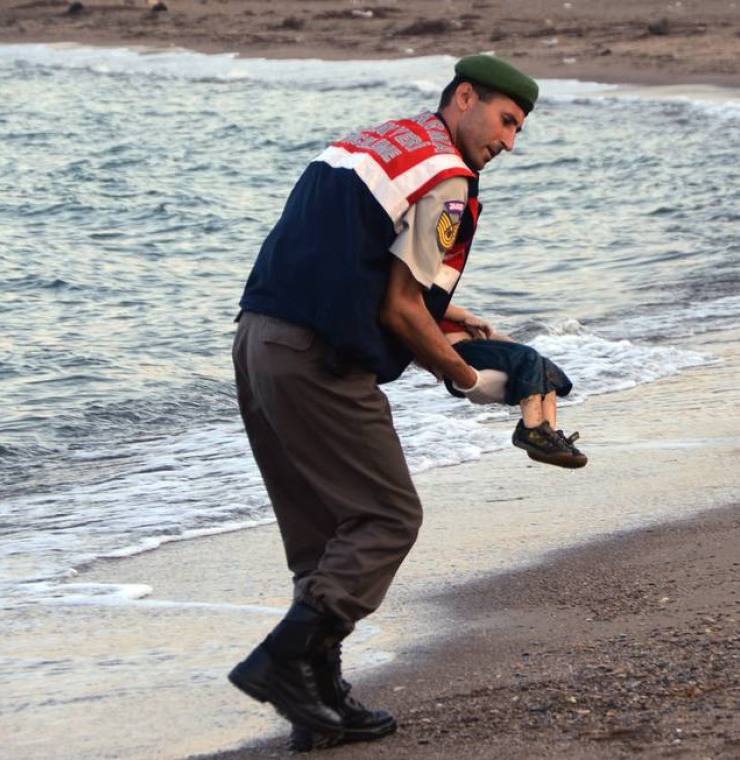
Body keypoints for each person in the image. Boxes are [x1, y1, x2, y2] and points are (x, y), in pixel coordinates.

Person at [227, 55, 539, 752]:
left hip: (257, 341)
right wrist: (465, 377)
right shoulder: (449, 180)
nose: (509, 143)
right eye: (505, 120)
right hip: (315, 359)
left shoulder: (377, 140)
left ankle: (317, 705)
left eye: (519, 130)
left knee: (320, 534)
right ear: (465, 97)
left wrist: (453, 320)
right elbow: (400, 311)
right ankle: (281, 660)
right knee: (386, 517)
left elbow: (350, 259)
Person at [439, 304, 587, 468]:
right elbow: (435, 303)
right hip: (458, 352)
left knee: (544, 366)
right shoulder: (428, 306)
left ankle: (548, 437)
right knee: (529, 356)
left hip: (479, 348)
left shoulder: (458, 318)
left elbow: (506, 344)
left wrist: (494, 334)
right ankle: (530, 431)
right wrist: (466, 316)